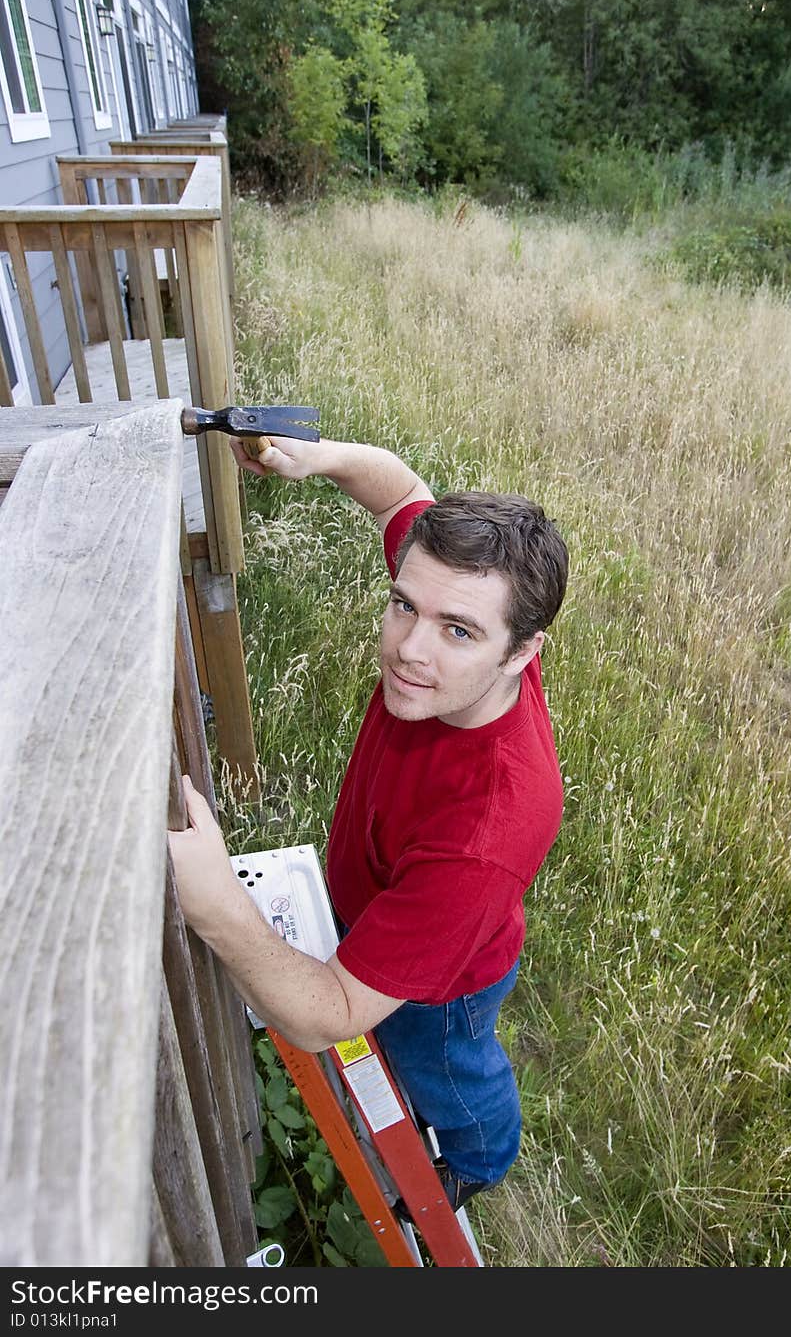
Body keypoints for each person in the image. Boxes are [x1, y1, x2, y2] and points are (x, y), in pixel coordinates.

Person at [168, 433, 568, 1215]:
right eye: (402, 605)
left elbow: (329, 1016)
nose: (408, 651)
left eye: (457, 631)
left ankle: (483, 1159)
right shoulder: (477, 618)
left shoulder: (486, 831)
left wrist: (216, 906)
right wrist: (312, 459)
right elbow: (398, 493)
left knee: (446, 1068)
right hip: (385, 905)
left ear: (524, 652)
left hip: (445, 985)